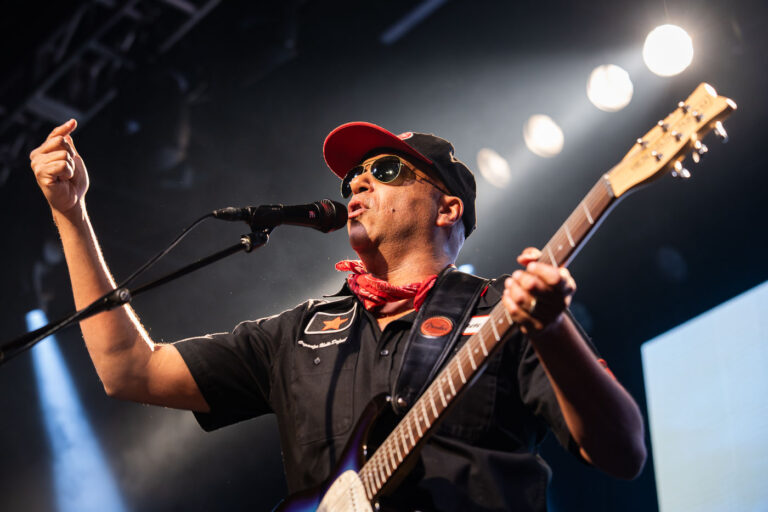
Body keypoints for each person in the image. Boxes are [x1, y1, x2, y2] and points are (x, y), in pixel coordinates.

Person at [29, 119, 646, 511]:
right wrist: (71, 213)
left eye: (383, 171)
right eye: (353, 175)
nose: (356, 185)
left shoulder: (506, 314)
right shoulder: (297, 333)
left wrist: (553, 328)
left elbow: (624, 453)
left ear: (447, 207)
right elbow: (128, 371)